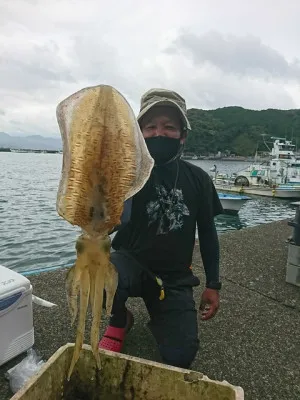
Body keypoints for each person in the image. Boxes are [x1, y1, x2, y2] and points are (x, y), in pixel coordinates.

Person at [98, 88, 223, 369]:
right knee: (100, 278)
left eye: (169, 127)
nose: (159, 133)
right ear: (139, 133)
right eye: (150, 127)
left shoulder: (199, 179)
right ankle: (120, 320)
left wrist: (213, 284)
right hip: (129, 262)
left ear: (182, 135)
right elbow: (105, 224)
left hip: (174, 277)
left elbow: (208, 234)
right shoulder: (126, 174)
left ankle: (165, 315)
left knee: (180, 357)